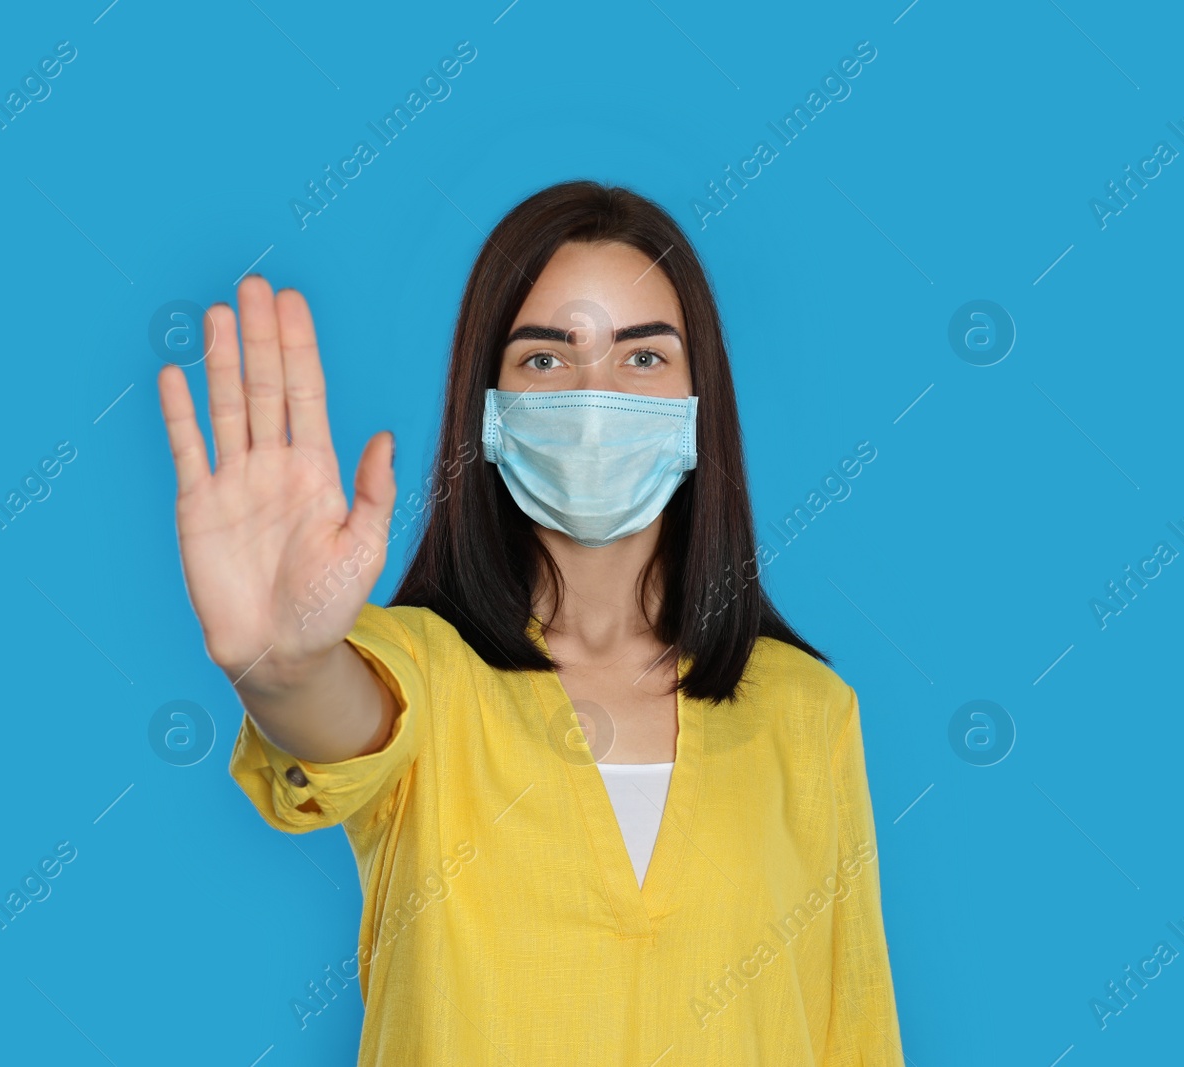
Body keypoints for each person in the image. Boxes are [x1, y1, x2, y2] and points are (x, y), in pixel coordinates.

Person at [156, 180, 904, 1065]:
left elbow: (852, 1034)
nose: (595, 399)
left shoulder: (807, 712)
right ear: (490, 408)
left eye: (643, 357)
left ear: (701, 409)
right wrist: (282, 669)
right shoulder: (425, 675)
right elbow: (339, 715)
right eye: (545, 360)